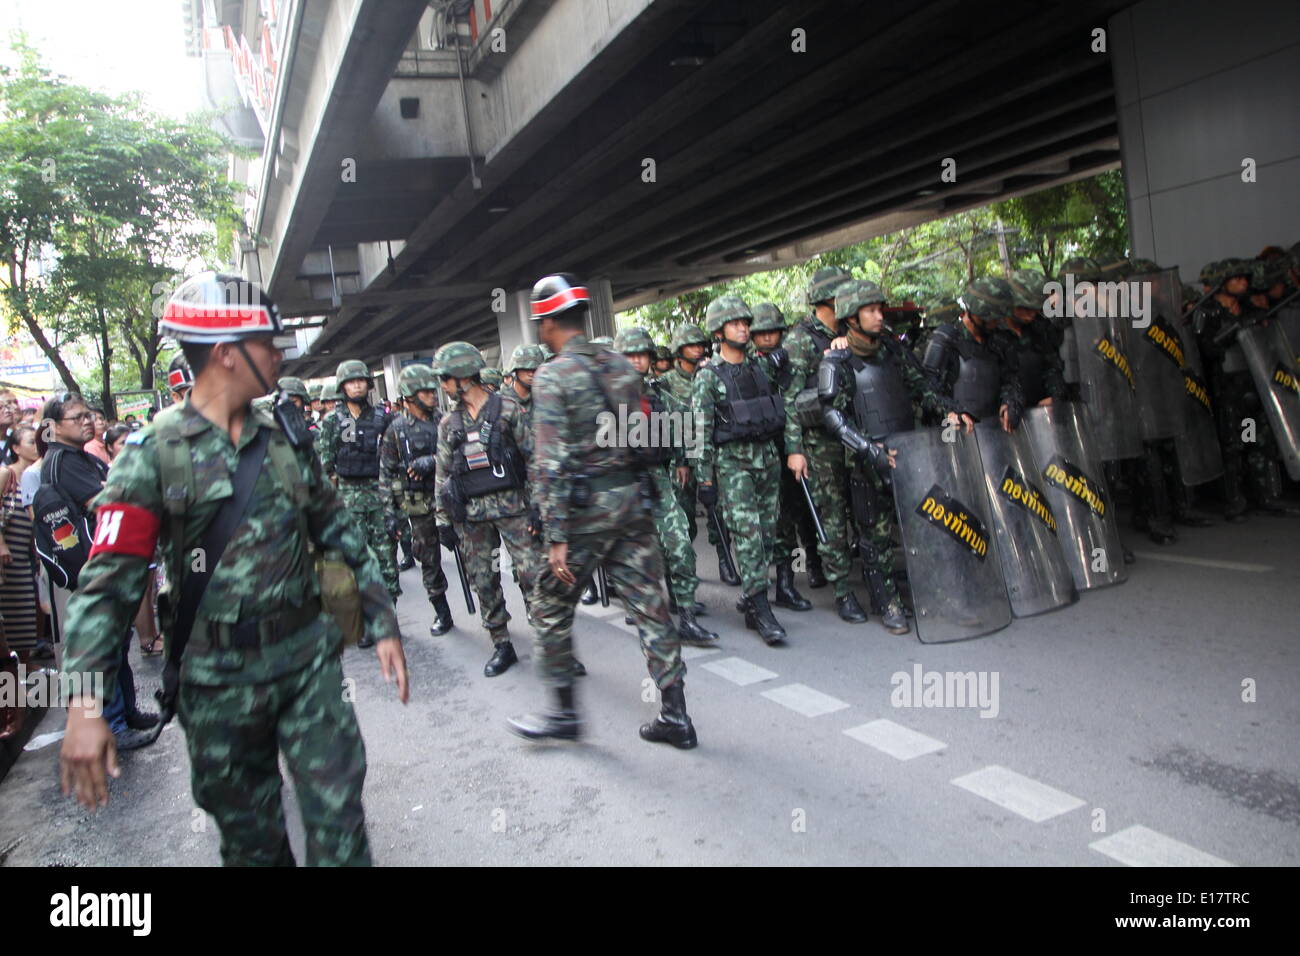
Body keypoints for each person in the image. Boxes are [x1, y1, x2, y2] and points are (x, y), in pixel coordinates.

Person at [58, 272, 408, 866]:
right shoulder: (152, 456)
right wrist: (85, 703)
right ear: (225, 353)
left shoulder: (288, 438)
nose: (278, 354)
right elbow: (106, 587)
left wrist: (381, 620)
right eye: (266, 342)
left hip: (307, 665)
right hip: (216, 684)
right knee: (251, 845)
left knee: (341, 828)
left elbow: (337, 530)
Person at [511, 274, 694, 748]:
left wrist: (555, 536)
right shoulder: (621, 367)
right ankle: (675, 715)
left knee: (549, 604)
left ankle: (564, 715)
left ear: (544, 322)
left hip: (585, 512)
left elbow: (548, 462)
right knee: (651, 605)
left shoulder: (552, 375)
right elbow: (638, 438)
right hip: (631, 503)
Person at [819, 279, 965, 633]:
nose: (878, 315)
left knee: (923, 527)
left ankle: (933, 593)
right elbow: (833, 416)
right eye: (869, 310)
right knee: (876, 538)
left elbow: (922, 387)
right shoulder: (837, 361)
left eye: (879, 308)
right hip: (869, 460)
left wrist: (947, 409)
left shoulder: (895, 352)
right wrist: (870, 451)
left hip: (909, 452)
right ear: (851, 318)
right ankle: (888, 603)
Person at [433, 342, 539, 677]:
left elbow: (533, 458)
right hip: (473, 517)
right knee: (484, 578)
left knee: (533, 574)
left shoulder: (507, 409)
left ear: (463, 377)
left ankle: (552, 644)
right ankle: (501, 644)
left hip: (514, 509)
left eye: (446, 379)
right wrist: (442, 520)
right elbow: (443, 473)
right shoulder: (449, 423)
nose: (443, 386)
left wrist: (538, 506)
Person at [693, 295, 790, 645]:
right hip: (734, 466)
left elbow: (784, 406)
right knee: (748, 536)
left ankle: (751, 599)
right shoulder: (707, 378)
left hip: (767, 460)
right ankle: (762, 608)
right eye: (736, 323)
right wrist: (705, 478)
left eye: (746, 323)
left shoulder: (760, 368)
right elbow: (700, 432)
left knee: (766, 534)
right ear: (719, 331)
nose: (743, 328)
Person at [613, 326, 717, 645]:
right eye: (629, 356)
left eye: (642, 355)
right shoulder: (603, 400)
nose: (636, 361)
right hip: (622, 488)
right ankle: (645, 612)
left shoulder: (657, 396)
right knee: (637, 558)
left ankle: (685, 615)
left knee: (680, 545)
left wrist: (689, 463)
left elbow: (690, 428)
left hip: (658, 480)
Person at [782, 266, 868, 621]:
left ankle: (874, 580)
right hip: (820, 444)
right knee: (831, 519)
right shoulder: (800, 340)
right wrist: (795, 450)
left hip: (856, 438)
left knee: (863, 509)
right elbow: (790, 400)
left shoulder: (853, 333)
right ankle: (844, 591)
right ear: (830, 300)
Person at [317, 360, 400, 609]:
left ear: (369, 384)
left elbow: (392, 461)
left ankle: (388, 612)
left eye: (361, 381)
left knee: (386, 557)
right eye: (351, 382)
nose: (357, 386)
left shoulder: (382, 418)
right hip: (348, 499)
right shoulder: (333, 421)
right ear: (343, 386)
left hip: (379, 495)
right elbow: (325, 463)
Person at [749, 302, 815, 613]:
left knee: (789, 518)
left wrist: (794, 449)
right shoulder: (748, 364)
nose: (767, 338)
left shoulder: (790, 360)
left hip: (788, 448)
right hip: (757, 454)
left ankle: (787, 584)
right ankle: (755, 592)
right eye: (760, 333)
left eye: (772, 331)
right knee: (762, 526)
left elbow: (792, 405)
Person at [381, 363, 454, 638]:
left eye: (432, 389)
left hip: (449, 499)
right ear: (410, 395)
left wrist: (432, 461)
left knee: (474, 559)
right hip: (419, 505)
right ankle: (442, 611)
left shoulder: (444, 421)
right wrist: (390, 513)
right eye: (425, 391)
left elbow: (461, 456)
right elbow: (386, 473)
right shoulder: (396, 430)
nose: (433, 394)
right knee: (428, 560)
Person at [661, 323, 736, 584]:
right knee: (685, 518)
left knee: (719, 514)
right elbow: (667, 426)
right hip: (681, 458)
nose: (697, 350)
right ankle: (682, 570)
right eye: (690, 346)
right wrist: (681, 460)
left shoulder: (711, 373)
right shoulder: (666, 382)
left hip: (709, 453)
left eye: (699, 345)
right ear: (678, 350)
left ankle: (725, 561)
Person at [922, 277, 1023, 433]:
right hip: (954, 435)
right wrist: (951, 410)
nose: (996, 323)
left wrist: (1010, 401)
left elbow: (1011, 379)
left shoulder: (999, 341)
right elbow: (927, 391)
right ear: (977, 315)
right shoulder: (945, 339)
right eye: (992, 319)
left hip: (994, 433)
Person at [0, 425, 40, 661]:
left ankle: (24, 666)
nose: (36, 446)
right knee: (13, 610)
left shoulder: (35, 474)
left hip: (25, 552)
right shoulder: (7, 473)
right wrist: (1, 544)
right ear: (15, 448)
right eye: (30, 442)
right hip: (8, 552)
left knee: (26, 610)